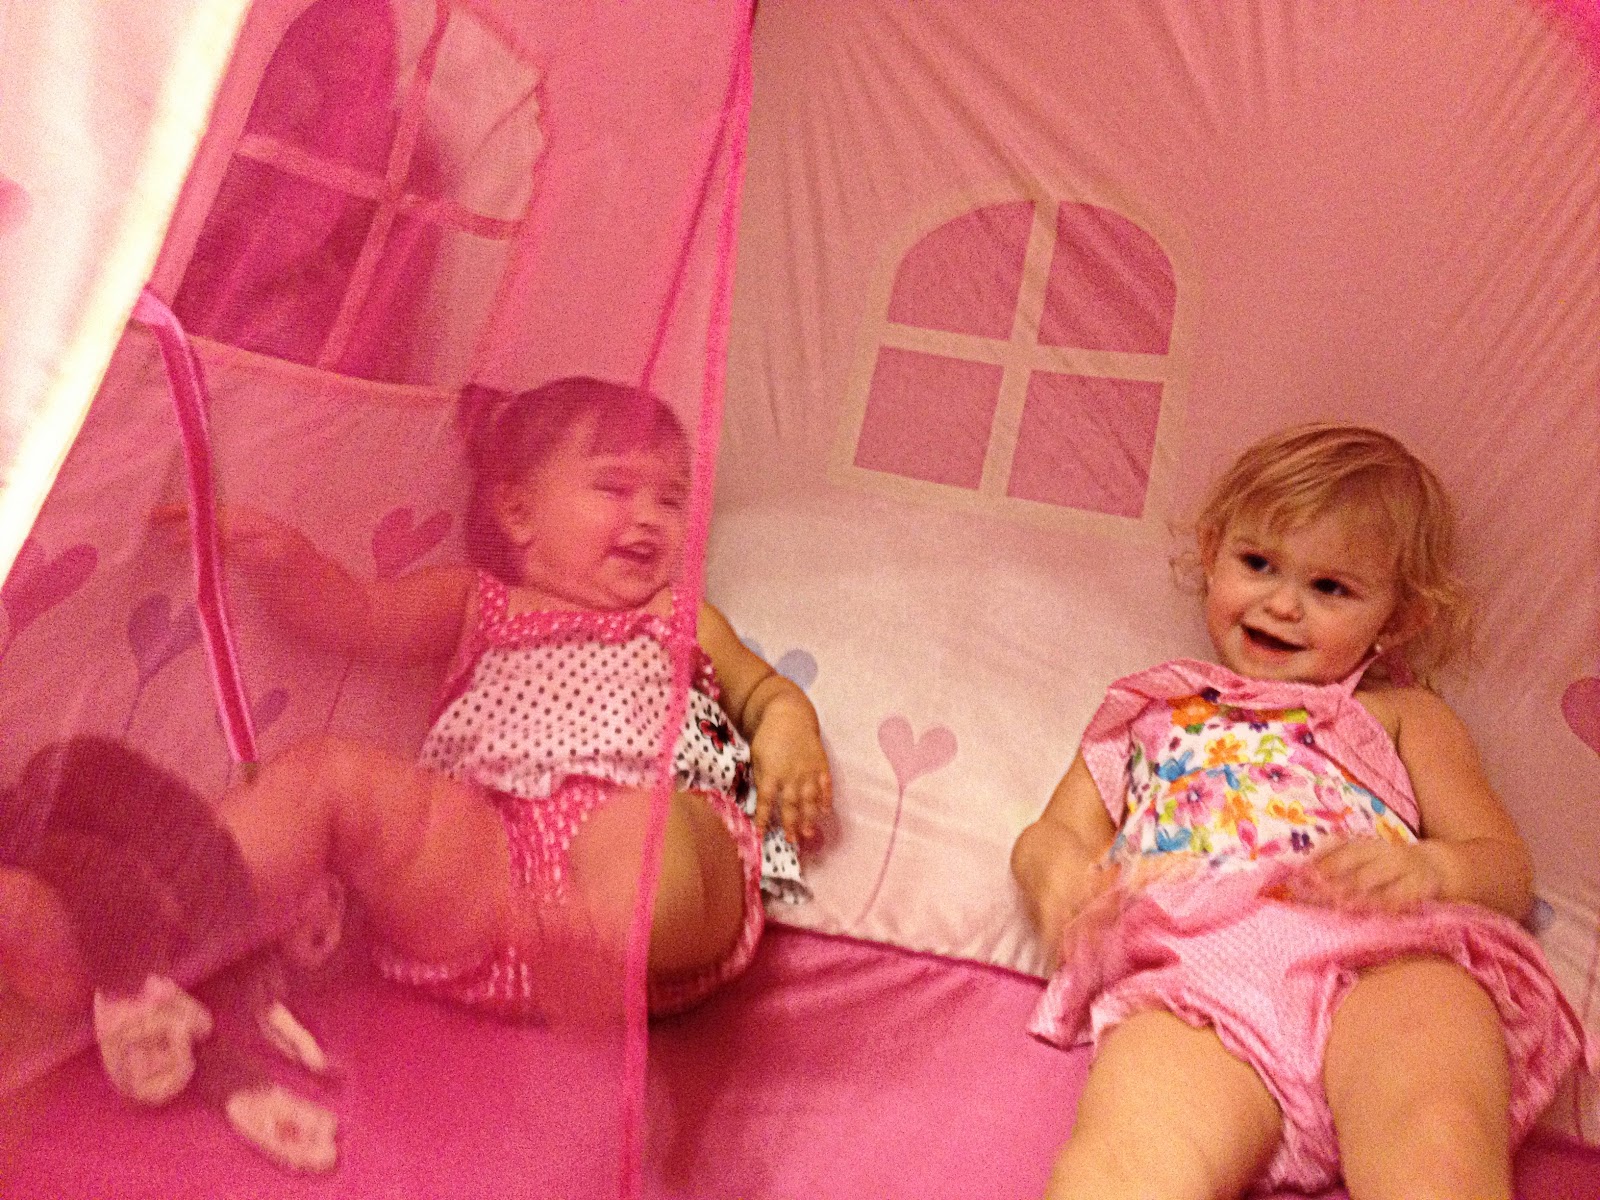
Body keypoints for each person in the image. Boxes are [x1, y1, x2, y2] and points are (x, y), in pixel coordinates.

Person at [1010, 424, 1590, 1200]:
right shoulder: (1153, 707)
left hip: (1387, 952)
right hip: (1199, 972)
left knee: (1437, 1139)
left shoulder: (1403, 715)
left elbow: (1504, 864)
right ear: (1211, 552)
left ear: (1398, 620)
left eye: (1331, 589)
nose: (1282, 604)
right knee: (1120, 1166)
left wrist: (1430, 868)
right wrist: (1062, 879)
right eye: (1257, 564)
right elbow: (1054, 831)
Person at [208, 375, 832, 1021]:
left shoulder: (679, 617)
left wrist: (789, 728)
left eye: (671, 499)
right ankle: (185, 915)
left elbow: (762, 693)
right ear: (519, 514)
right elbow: (358, 616)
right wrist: (286, 563)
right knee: (326, 773)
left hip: (640, 875)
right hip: (490, 869)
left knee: (654, 829)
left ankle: (601, 957)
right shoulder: (478, 602)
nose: (649, 516)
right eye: (614, 489)